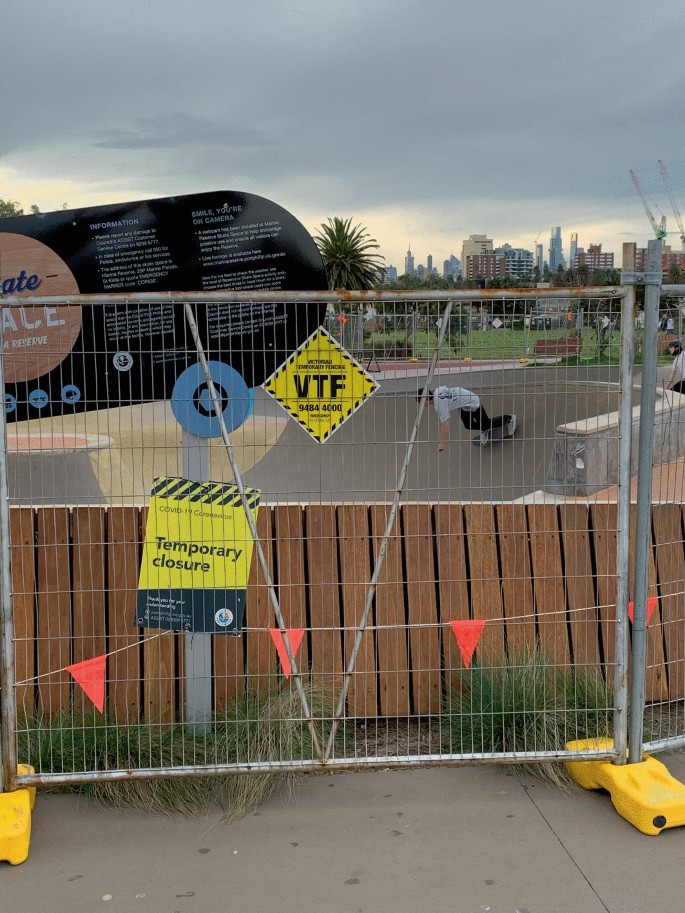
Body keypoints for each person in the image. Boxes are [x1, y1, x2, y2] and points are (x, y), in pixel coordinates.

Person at [419, 386, 492, 452]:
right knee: (468, 425)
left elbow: (445, 425)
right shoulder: (437, 390)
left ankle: (490, 426)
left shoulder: (439, 406)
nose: (421, 405)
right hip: (463, 401)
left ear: (425, 401)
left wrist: (442, 443)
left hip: (472, 401)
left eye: (420, 403)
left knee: (487, 424)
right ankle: (485, 426)